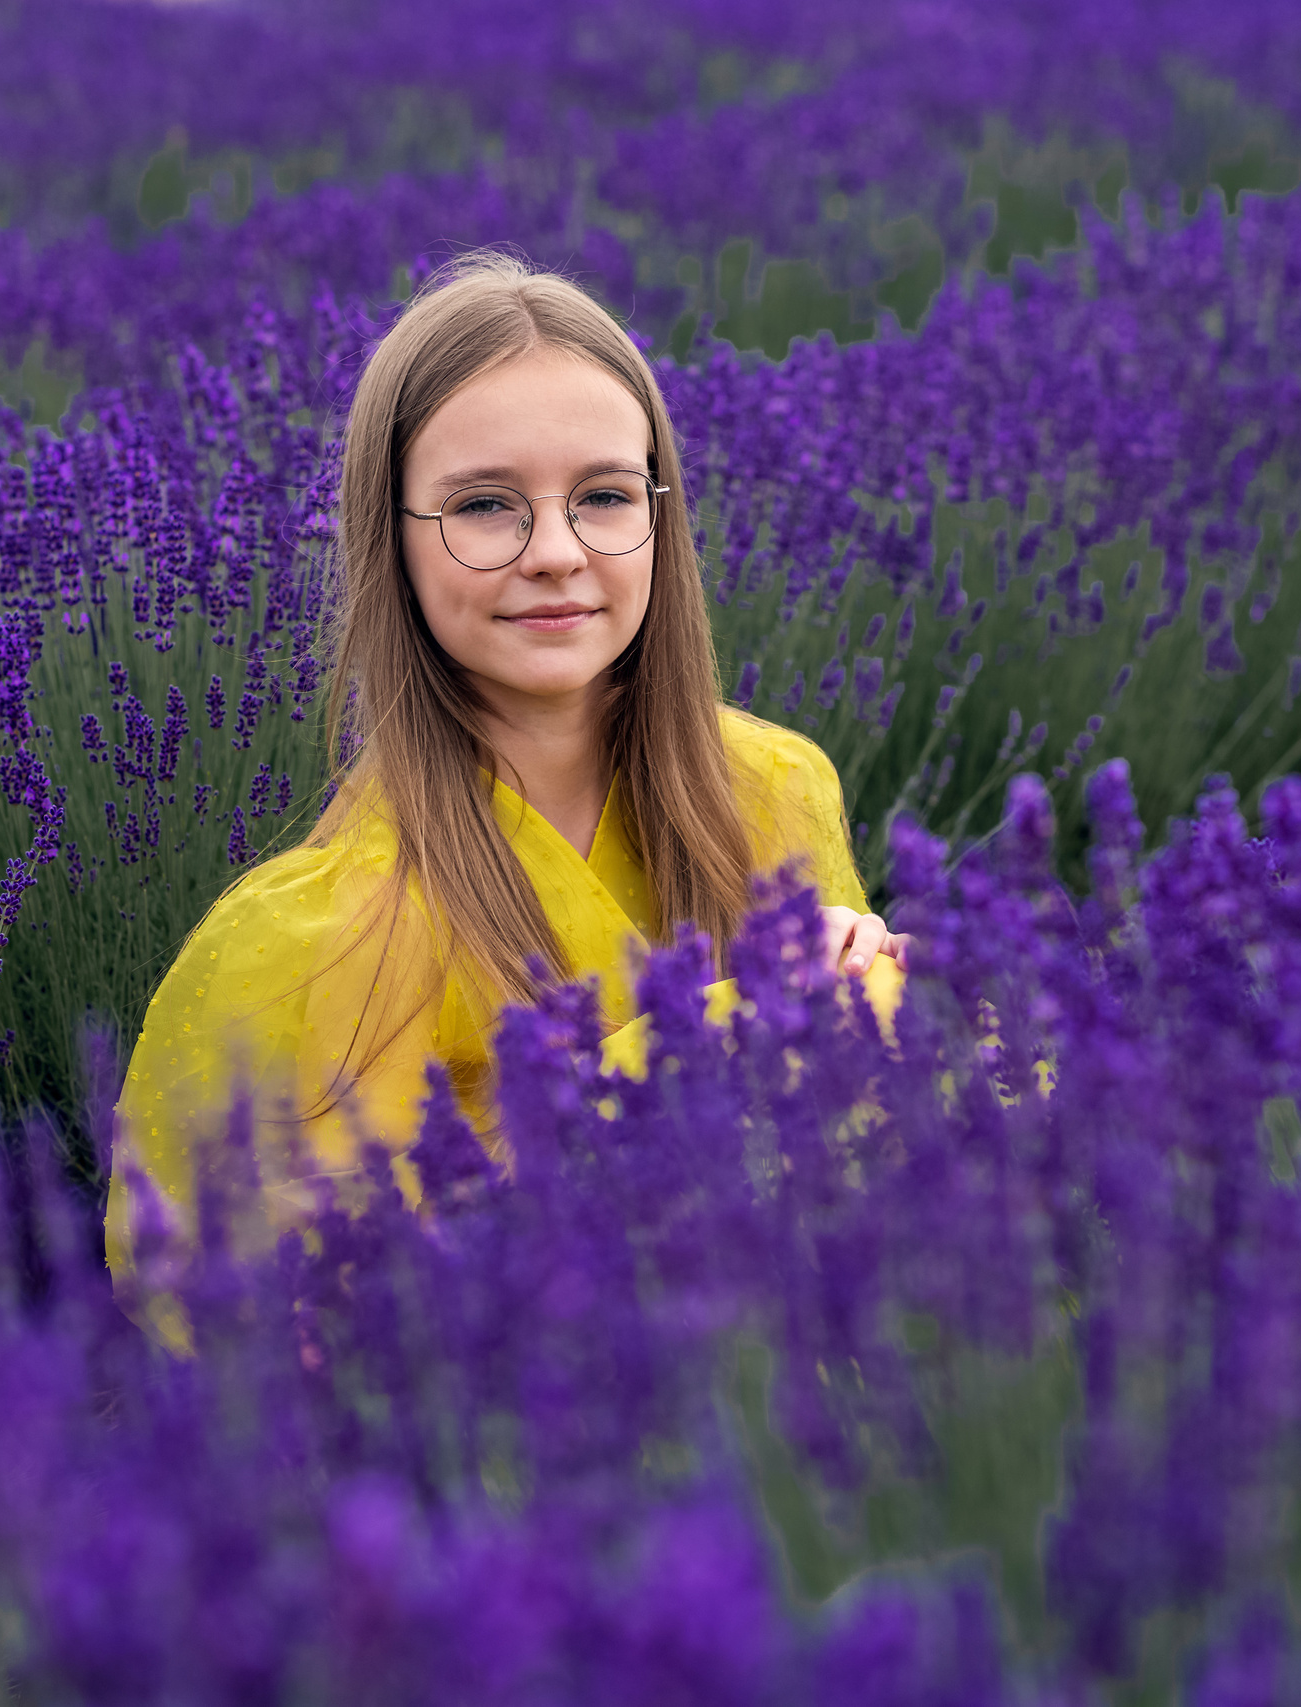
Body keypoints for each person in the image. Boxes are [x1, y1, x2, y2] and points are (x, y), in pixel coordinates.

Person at [104, 251, 906, 1304]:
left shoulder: (768, 788)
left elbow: (875, 1164)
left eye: (606, 496)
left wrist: (877, 993)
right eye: (485, 505)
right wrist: (719, 1035)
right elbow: (329, 1310)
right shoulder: (333, 931)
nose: (556, 552)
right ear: (390, 540)